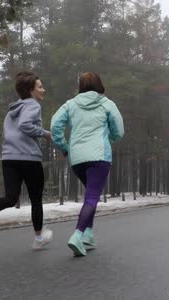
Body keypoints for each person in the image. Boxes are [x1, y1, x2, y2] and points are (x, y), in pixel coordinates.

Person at [0, 71, 53, 250]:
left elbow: (14, 130)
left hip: (9, 158)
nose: (43, 90)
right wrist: (45, 134)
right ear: (31, 91)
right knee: (36, 199)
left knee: (10, 197)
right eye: (40, 87)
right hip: (29, 158)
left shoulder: (11, 112)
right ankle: (38, 239)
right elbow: (25, 125)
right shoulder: (33, 105)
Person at [51, 72, 124, 256]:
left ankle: (88, 235)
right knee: (92, 197)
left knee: (91, 196)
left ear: (81, 87)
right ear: (100, 85)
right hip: (99, 157)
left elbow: (54, 126)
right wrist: (111, 138)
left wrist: (64, 146)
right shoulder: (107, 104)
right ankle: (78, 234)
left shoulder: (71, 104)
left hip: (77, 159)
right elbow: (119, 131)